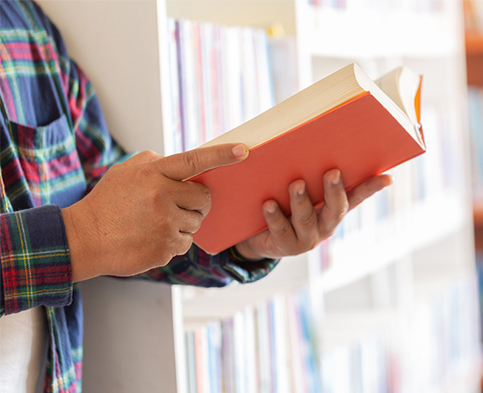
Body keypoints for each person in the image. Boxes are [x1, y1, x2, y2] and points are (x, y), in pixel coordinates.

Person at [0, 1, 392, 392]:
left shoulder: (28, 29)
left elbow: (121, 212)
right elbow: (94, 228)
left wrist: (243, 235)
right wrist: (80, 237)